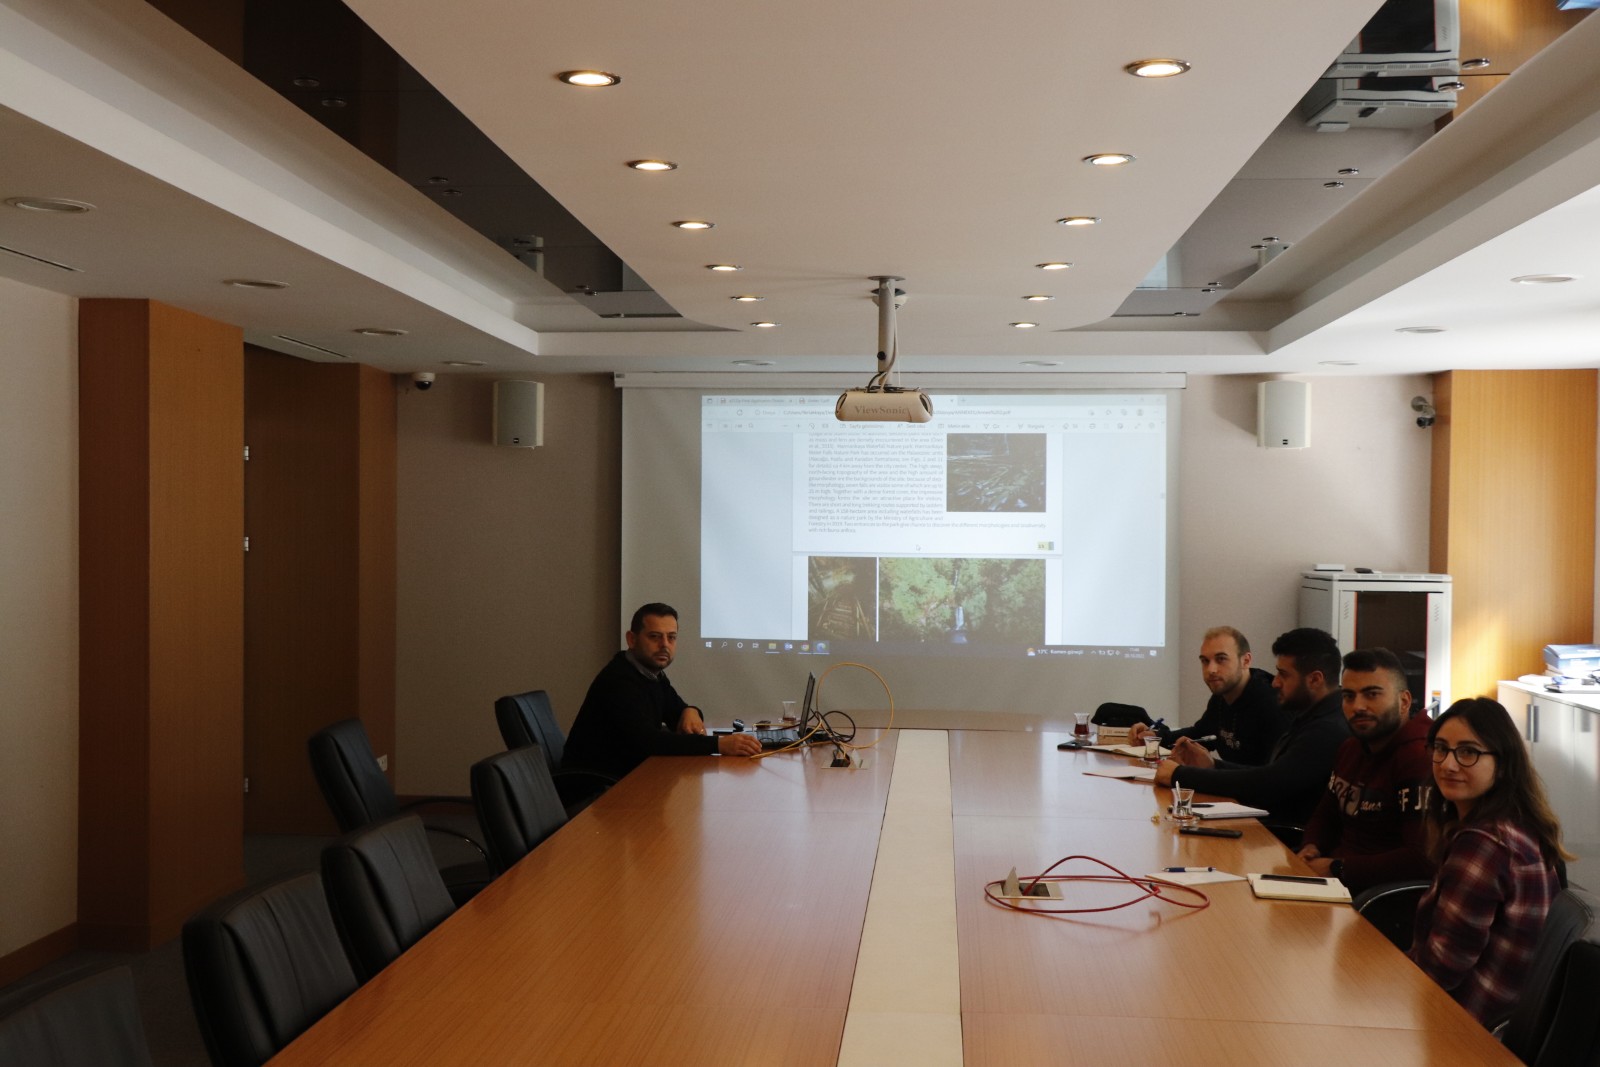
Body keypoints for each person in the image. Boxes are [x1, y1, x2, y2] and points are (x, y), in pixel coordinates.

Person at [1408, 697, 1568, 1027]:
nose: (1448, 764)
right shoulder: (1514, 825)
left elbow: (1443, 969)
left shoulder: (1485, 844)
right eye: (1441, 748)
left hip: (1468, 1027)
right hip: (1496, 1018)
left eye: (1468, 752)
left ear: (1503, 763)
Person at [1154, 627, 1348, 827]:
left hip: (1282, 835)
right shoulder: (1312, 717)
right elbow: (1273, 776)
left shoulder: (1326, 729)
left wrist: (1180, 775)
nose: (1275, 683)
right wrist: (1213, 766)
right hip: (1270, 824)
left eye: (1283, 674)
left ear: (1315, 680)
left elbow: (1269, 784)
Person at [562, 603, 762, 778]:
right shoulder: (619, 680)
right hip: (596, 789)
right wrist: (719, 744)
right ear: (632, 639)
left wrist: (690, 710)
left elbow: (677, 714)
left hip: (629, 777)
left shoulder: (651, 675)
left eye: (671, 637)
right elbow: (649, 742)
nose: (664, 645)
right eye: (654, 637)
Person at [1295, 648, 1435, 893]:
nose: (1358, 706)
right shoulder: (1350, 748)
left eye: (1372, 694)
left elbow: (1421, 859)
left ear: (1404, 702)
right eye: (1349, 696)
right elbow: (1326, 814)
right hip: (1333, 883)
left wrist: (1338, 868)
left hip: (1377, 900)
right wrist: (1311, 845)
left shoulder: (1420, 757)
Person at [1130, 626, 1285, 765]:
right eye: (1205, 661)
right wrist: (1154, 736)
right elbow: (1201, 734)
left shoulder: (1273, 704)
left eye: (1221, 659)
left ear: (1246, 661)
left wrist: (1211, 768)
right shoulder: (1222, 696)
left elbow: (1271, 777)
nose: (1211, 669)